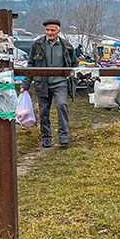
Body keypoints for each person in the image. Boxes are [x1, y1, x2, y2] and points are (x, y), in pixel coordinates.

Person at [29, 18, 77, 148]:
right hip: (42, 83)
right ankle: (46, 137)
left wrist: (73, 82)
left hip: (60, 83)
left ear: (58, 31)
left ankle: (63, 136)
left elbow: (74, 64)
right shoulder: (37, 44)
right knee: (44, 110)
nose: (49, 33)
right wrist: (25, 85)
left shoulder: (66, 46)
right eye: (47, 30)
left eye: (52, 30)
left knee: (62, 105)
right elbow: (30, 65)